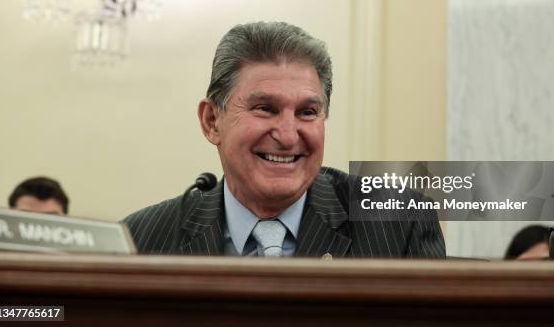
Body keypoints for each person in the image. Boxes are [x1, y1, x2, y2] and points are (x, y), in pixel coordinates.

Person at [123, 21, 445, 258]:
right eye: (265, 108)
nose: (289, 135)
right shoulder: (139, 240)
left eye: (307, 112)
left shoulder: (400, 225)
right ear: (211, 122)